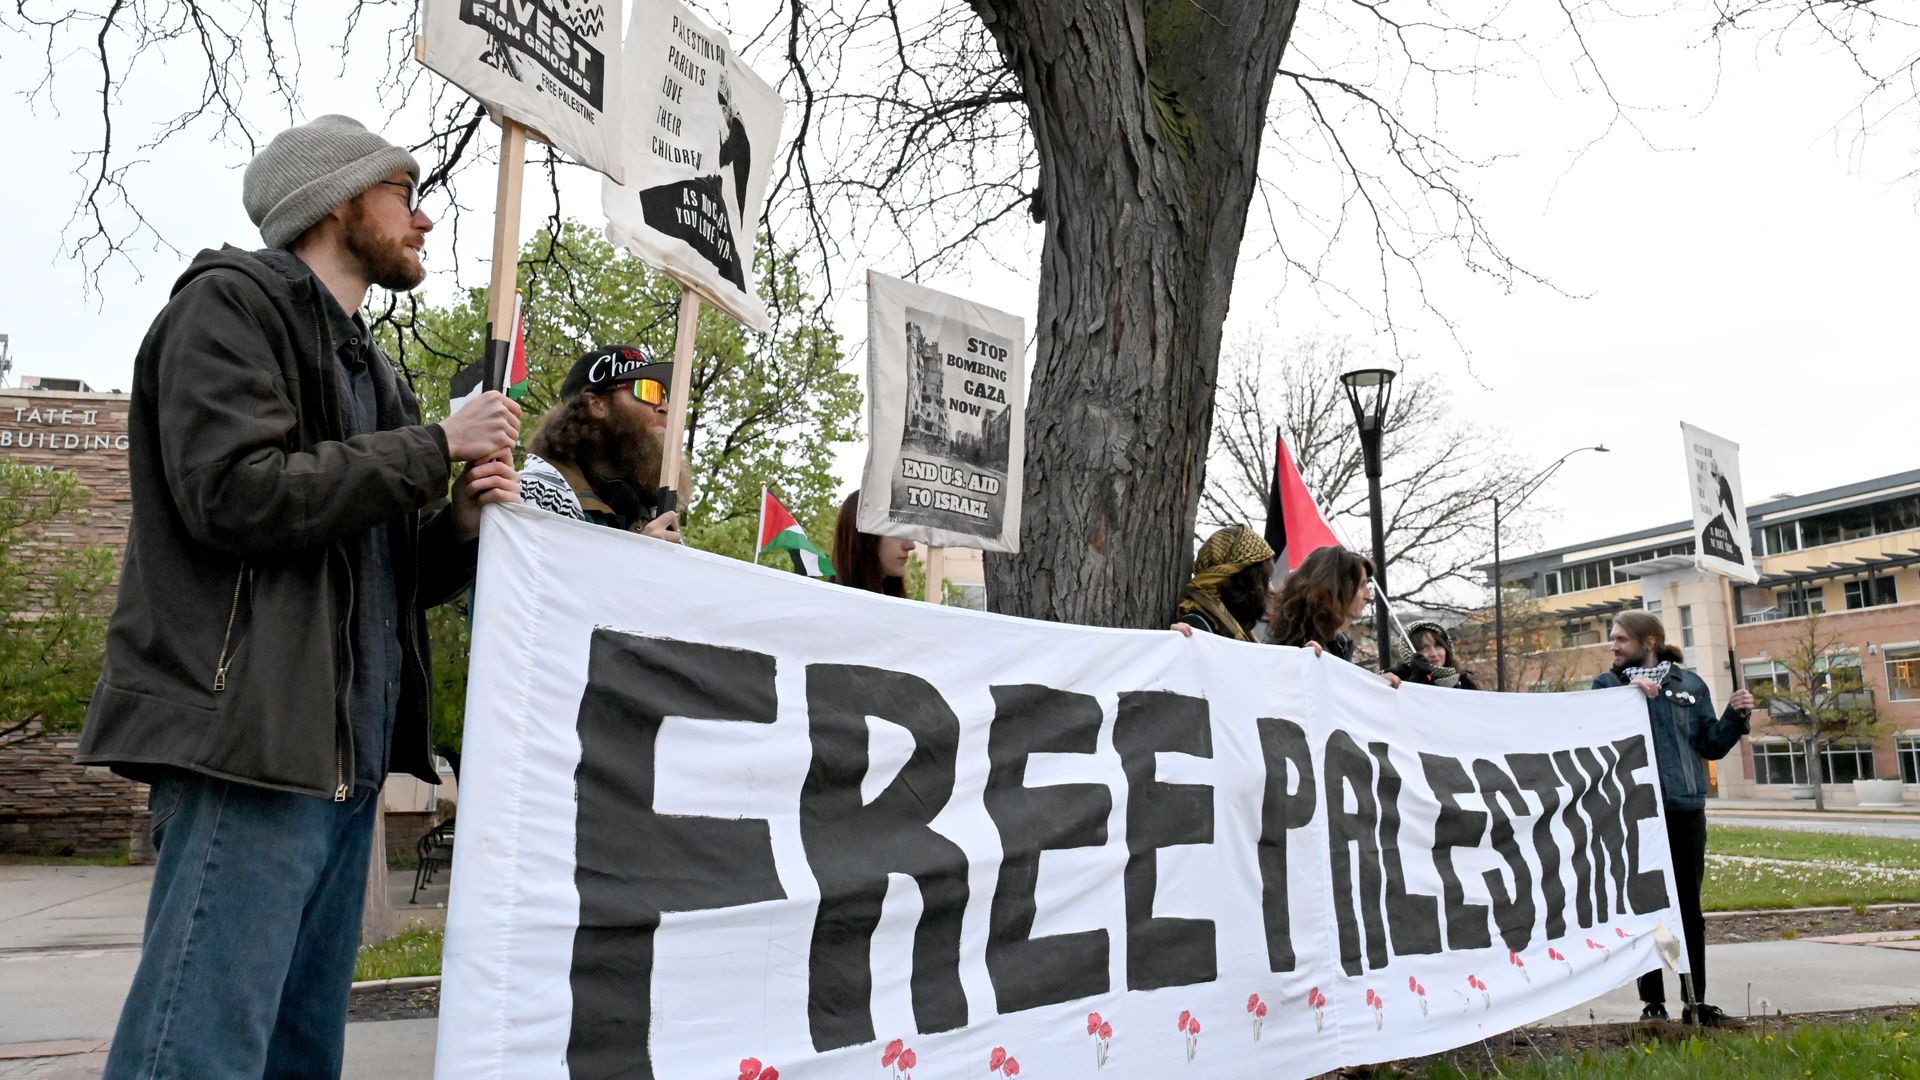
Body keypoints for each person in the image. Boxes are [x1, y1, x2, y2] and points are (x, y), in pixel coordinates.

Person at [73, 115, 523, 1078]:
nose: (427, 220)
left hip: (344, 765)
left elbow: (384, 572)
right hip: (250, 742)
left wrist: (459, 528)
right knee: (198, 1050)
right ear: (338, 200)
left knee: (294, 1057)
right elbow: (232, 492)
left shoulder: (372, 370)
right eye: (403, 193)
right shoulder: (230, 309)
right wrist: (433, 447)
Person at [1592, 610, 1753, 1026]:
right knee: (1647, 909)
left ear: (1649, 643)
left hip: (1684, 809)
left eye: (1621, 639)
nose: (1613, 646)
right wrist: (1628, 694)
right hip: (1634, 813)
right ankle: (1653, 1006)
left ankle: (1695, 1000)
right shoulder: (1606, 686)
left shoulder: (1690, 684)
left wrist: (1735, 717)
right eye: (1613, 638)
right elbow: (1590, 733)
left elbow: (1710, 746)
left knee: (1687, 910)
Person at [519, 343, 681, 542]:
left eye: (664, 395)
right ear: (596, 404)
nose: (665, 406)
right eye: (649, 391)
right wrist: (641, 556)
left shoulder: (658, 513)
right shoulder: (534, 495)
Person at [1262, 546, 1401, 686]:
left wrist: (1377, 685)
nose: (1368, 596)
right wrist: (1301, 665)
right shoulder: (1288, 652)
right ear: (1337, 590)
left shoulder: (1339, 645)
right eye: (1361, 585)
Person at [1172, 525, 1275, 641]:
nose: (1272, 589)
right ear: (1244, 581)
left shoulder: (1237, 629)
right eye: (1266, 579)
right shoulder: (1195, 627)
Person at [832, 491, 916, 596]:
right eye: (897, 532)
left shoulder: (893, 605)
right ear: (865, 538)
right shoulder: (829, 607)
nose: (911, 545)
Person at [1391, 619, 1481, 689]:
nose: (1433, 654)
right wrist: (1417, 679)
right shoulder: (1397, 682)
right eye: (1424, 648)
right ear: (1410, 653)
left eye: (1438, 646)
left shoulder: (1465, 682)